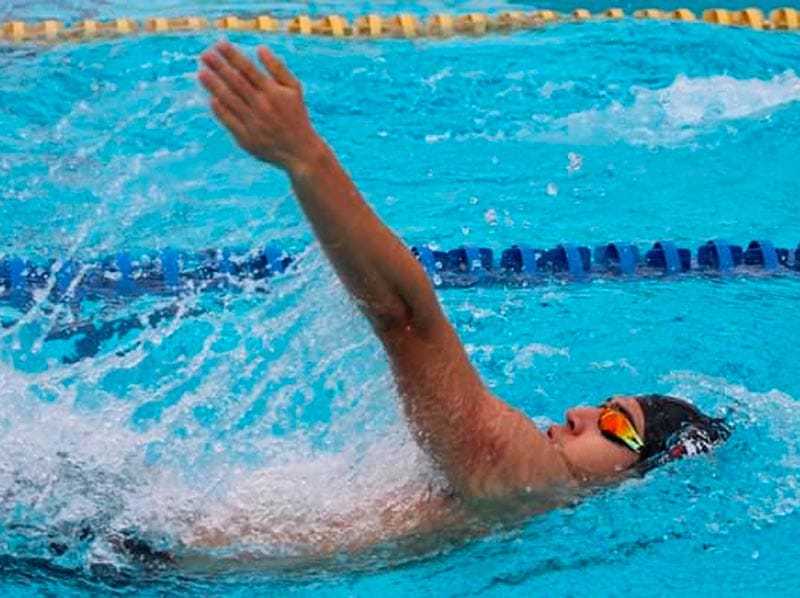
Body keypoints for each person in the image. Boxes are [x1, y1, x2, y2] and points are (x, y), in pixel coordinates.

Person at [189, 41, 730, 558]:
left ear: (642, 480)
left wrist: (306, 157)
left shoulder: (535, 484)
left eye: (614, 425)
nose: (577, 412)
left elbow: (403, 319)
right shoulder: (527, 498)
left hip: (147, 560)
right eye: (603, 407)